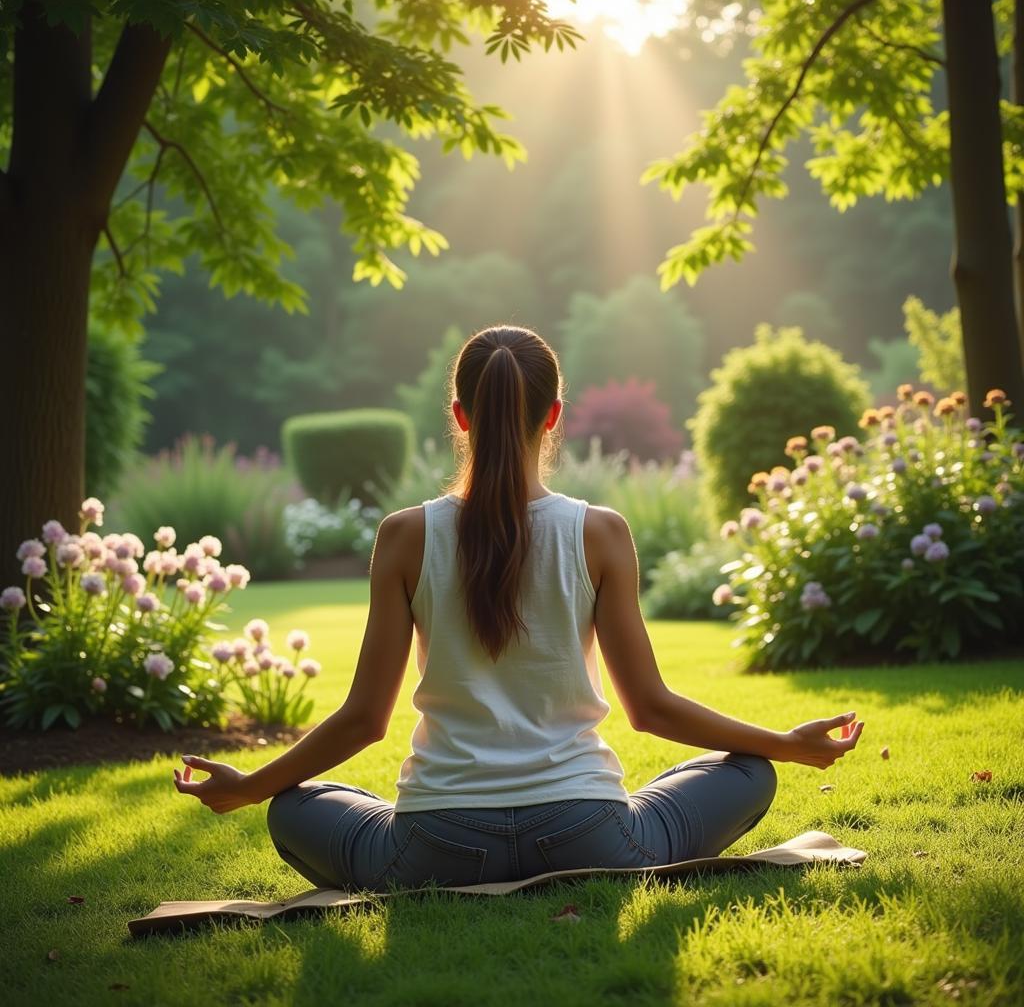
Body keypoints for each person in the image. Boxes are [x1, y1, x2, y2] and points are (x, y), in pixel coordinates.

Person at [173, 325, 864, 892]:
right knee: (746, 769)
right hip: (590, 839)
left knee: (296, 805)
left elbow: (364, 720)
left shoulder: (405, 536)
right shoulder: (600, 532)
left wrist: (253, 786)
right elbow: (649, 708)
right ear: (555, 416)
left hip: (433, 850)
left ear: (460, 417)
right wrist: (785, 745)